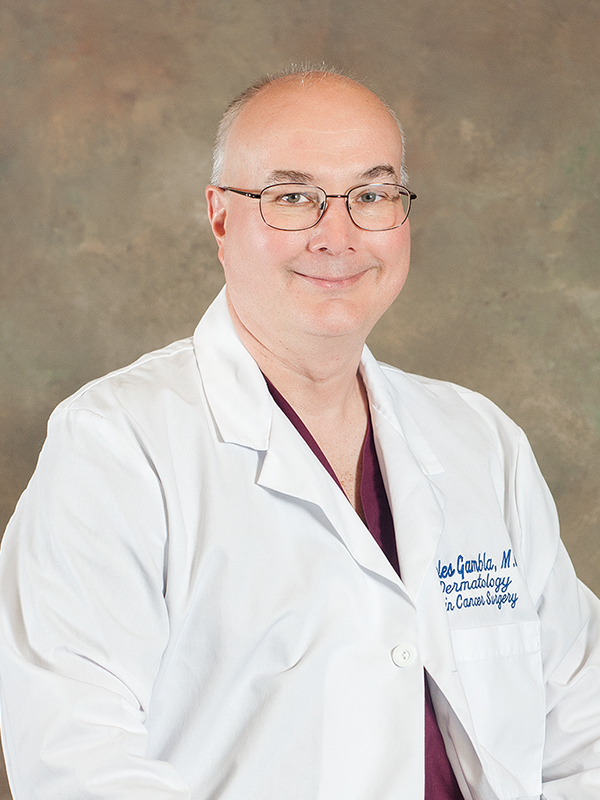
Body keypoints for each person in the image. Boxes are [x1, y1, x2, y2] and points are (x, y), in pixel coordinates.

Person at [0, 67, 599, 800]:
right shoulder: (116, 447)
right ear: (221, 219)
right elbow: (76, 763)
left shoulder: (480, 440)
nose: (337, 238)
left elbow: (583, 722)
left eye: (372, 196)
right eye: (293, 199)